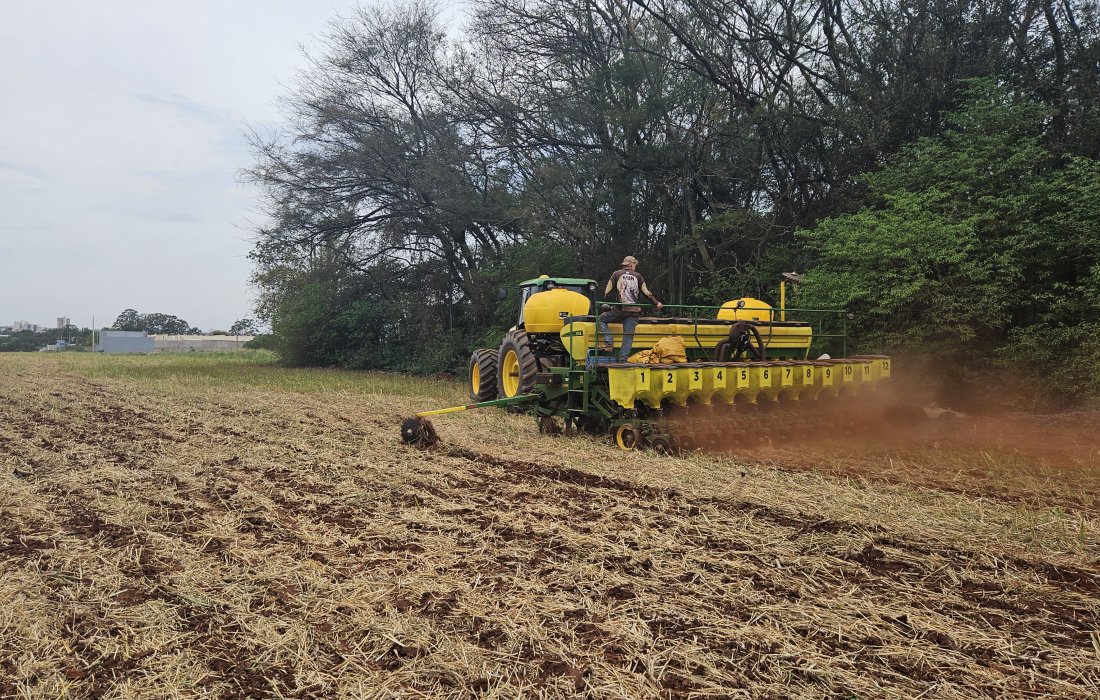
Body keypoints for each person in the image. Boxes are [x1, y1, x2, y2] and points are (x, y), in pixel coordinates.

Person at [598, 255, 663, 361]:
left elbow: (608, 291)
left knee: (600, 319)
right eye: (635, 264)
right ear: (631, 264)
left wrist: (607, 304)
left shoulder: (616, 274)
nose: (635, 267)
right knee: (628, 336)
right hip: (634, 311)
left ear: (625, 264)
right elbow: (647, 293)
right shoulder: (638, 276)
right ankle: (622, 360)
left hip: (620, 310)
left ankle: (609, 343)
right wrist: (656, 303)